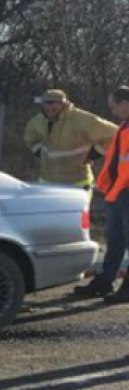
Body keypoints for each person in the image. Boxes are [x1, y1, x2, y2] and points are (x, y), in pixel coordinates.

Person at [74, 86, 129, 302]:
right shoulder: (124, 127)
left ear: (125, 103)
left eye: (114, 107)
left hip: (124, 191)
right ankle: (106, 280)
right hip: (117, 192)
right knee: (115, 240)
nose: (113, 112)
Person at [24, 88, 117, 190]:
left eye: (53, 103)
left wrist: (93, 154)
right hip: (47, 180)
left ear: (63, 104)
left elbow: (114, 135)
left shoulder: (81, 119)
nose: (49, 107)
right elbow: (30, 138)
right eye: (46, 103)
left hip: (78, 181)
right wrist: (41, 153)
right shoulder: (38, 121)